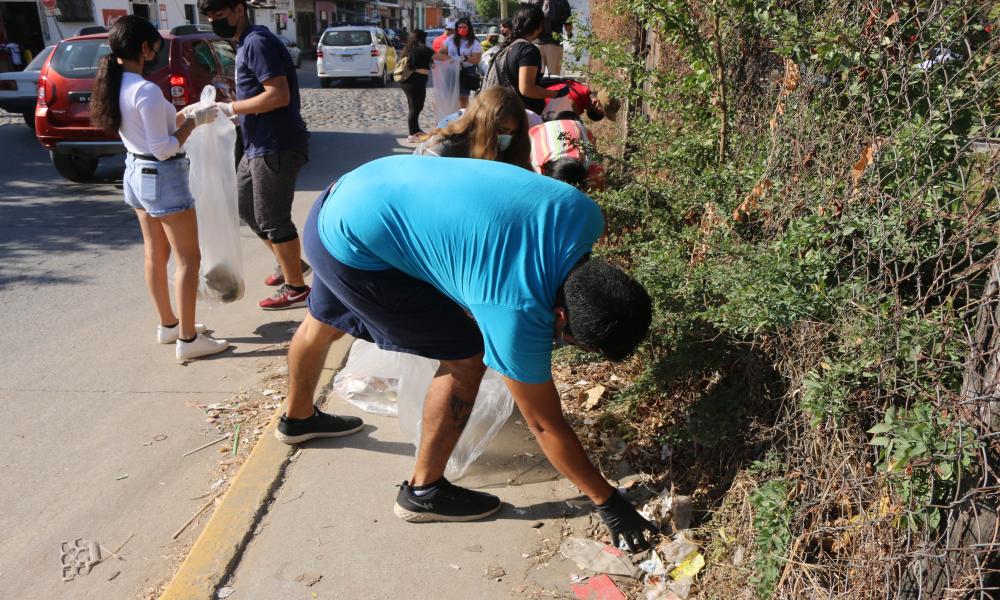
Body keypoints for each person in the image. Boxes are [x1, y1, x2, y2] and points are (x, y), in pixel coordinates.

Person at [281, 155, 657, 552]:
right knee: (467, 356)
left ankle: (298, 419)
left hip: (349, 194)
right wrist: (608, 501)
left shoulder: (584, 215)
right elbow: (545, 424)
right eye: (573, 341)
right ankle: (423, 492)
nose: (563, 344)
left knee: (323, 320)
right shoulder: (514, 307)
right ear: (560, 315)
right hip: (353, 245)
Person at [90, 16, 228, 361]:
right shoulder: (146, 90)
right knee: (188, 259)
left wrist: (185, 115)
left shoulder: (116, 83)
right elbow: (164, 147)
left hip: (136, 172)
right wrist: (193, 122)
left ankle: (169, 326)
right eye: (155, 45)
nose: (157, 51)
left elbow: (151, 132)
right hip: (162, 175)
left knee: (155, 254)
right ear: (144, 48)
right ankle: (188, 338)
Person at [199, 0, 312, 310]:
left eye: (219, 14)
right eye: (209, 16)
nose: (214, 21)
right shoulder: (244, 44)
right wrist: (236, 114)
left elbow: (278, 94)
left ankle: (296, 289)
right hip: (256, 144)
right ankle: (291, 264)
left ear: (238, 9)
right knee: (247, 207)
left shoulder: (257, 43)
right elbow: (258, 95)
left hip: (276, 145)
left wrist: (231, 107)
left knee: (273, 218)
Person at [414, 86, 531, 169]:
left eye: (513, 133)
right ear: (481, 123)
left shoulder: (507, 148)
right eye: (502, 130)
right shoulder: (444, 148)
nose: (507, 137)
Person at [486, 4, 569, 115]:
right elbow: (527, 88)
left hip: (506, 112)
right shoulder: (528, 51)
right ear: (539, 25)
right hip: (524, 117)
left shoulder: (510, 47)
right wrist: (555, 94)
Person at [529, 114, 605, 190]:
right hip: (538, 132)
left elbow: (599, 185)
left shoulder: (589, 160)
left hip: (574, 126)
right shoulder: (536, 168)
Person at [435, 17, 481, 109]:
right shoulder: (450, 40)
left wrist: (465, 58)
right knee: (450, 97)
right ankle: (452, 117)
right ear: (456, 28)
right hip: (451, 71)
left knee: (463, 97)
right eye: (459, 27)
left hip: (466, 71)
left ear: (469, 28)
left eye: (464, 27)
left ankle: (463, 118)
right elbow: (440, 54)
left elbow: (476, 59)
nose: (461, 30)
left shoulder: (474, 42)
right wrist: (449, 58)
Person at [398, 29, 435, 143]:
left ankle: (416, 130)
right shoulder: (423, 49)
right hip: (415, 81)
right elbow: (440, 57)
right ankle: (412, 134)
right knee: (416, 107)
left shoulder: (407, 49)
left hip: (407, 81)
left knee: (413, 106)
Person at [529, 0, 572, 76]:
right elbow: (568, 22)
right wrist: (569, 34)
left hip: (535, 43)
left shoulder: (532, 1)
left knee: (536, 77)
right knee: (554, 76)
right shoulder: (562, 2)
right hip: (554, 43)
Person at [544, 79, 617, 122]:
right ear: (595, 103)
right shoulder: (574, 102)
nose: (601, 116)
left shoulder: (580, 89)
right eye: (603, 113)